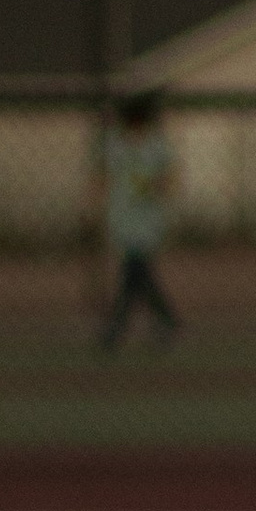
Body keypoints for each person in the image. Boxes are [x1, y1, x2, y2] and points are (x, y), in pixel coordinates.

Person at [97, 95, 180, 351]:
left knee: (134, 271)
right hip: (123, 218)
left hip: (147, 219)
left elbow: (168, 180)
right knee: (137, 274)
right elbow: (103, 176)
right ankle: (166, 319)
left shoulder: (157, 147)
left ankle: (116, 328)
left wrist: (154, 187)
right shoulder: (115, 145)